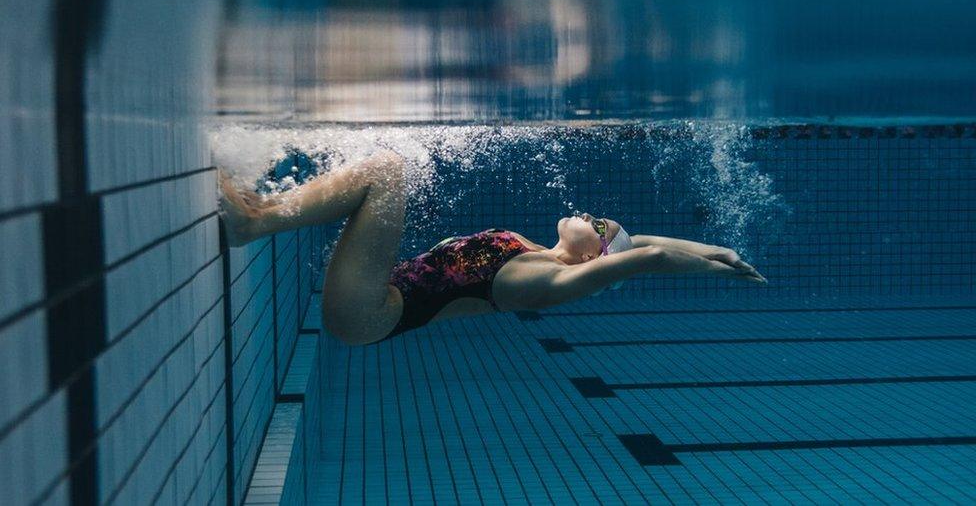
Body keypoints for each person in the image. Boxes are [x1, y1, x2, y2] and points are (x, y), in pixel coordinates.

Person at [219, 150, 766, 345]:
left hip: (368, 313)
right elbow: (641, 241)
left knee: (386, 170)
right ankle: (260, 210)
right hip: (375, 294)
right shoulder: (537, 249)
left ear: (592, 258)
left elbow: (643, 257)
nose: (588, 215)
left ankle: (253, 223)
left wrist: (715, 274)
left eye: (596, 224)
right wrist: (718, 248)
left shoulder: (548, 282)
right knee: (383, 170)